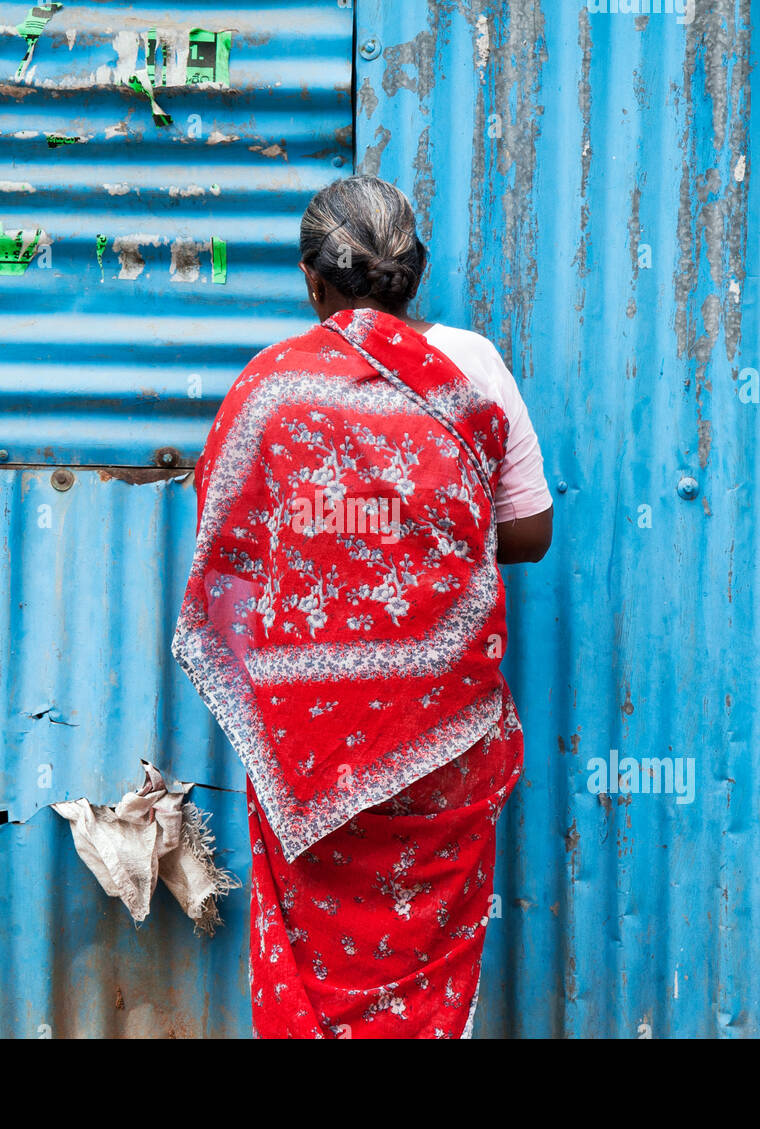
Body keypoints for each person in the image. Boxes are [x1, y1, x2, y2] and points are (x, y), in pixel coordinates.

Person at [172, 174, 552, 1038]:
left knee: (312, 960)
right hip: (444, 731)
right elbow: (528, 530)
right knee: (428, 966)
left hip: (308, 749)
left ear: (314, 280)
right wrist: (416, 545)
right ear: (413, 272)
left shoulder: (269, 388)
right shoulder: (473, 367)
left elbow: (231, 548)